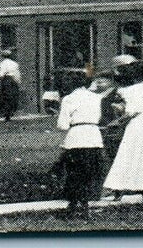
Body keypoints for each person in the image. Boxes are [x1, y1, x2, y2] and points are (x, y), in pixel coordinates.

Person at [101, 59, 143, 209]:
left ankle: (118, 190)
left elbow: (129, 112)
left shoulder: (128, 90)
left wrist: (117, 118)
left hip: (135, 125)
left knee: (127, 155)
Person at [55, 76, 106, 219]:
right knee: (90, 173)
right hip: (94, 137)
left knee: (74, 173)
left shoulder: (68, 99)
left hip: (76, 138)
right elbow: (99, 117)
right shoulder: (97, 98)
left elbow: (62, 125)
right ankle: (85, 207)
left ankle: (73, 206)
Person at [0, 49, 22, 120]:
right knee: (12, 96)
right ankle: (11, 112)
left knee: (5, 96)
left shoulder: (3, 64)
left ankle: (6, 115)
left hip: (6, 80)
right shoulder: (15, 63)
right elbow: (17, 74)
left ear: (3, 56)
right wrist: (18, 81)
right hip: (13, 80)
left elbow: (1, 74)